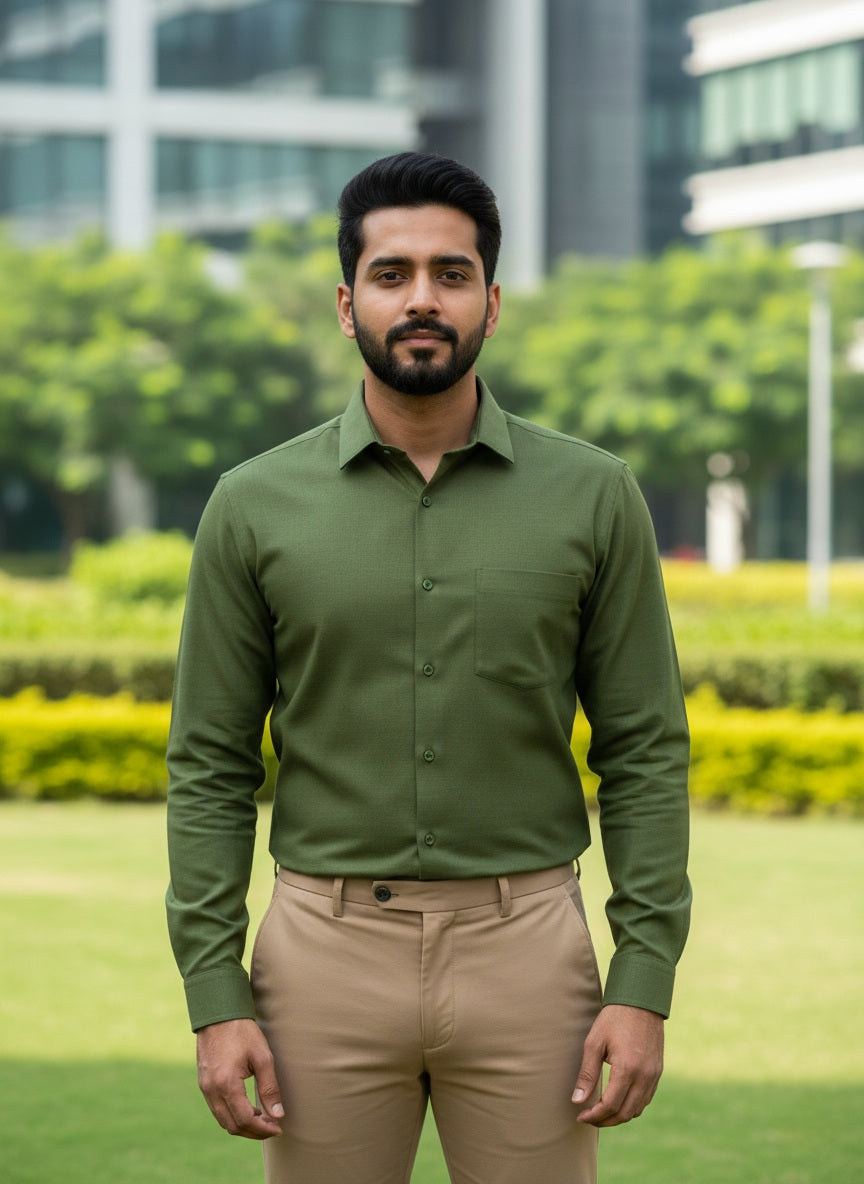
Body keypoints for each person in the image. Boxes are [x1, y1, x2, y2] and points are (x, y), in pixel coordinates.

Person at [166, 151, 691, 1184]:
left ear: (492, 303)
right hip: (320, 952)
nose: (422, 299)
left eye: (451, 274)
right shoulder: (253, 503)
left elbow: (646, 749)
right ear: (346, 299)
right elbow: (210, 764)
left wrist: (642, 978)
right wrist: (216, 993)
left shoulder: (594, 495)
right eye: (392, 272)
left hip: (529, 950)